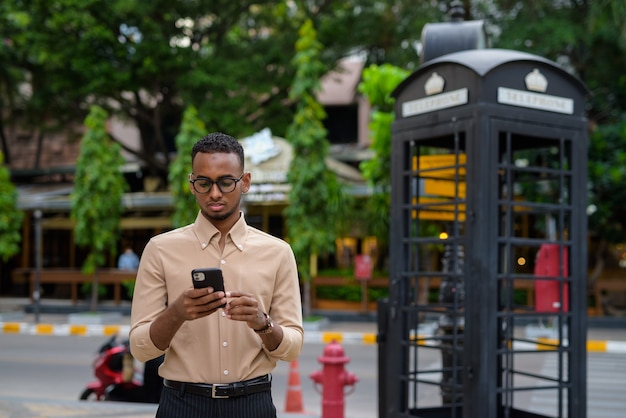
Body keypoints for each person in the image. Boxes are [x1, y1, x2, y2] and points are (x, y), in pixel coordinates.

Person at [129, 132, 303, 418]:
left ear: (244, 182)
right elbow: (140, 348)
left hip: (252, 403)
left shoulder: (278, 252)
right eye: (204, 183)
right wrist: (176, 314)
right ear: (192, 184)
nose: (215, 193)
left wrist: (262, 323)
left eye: (226, 182)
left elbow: (292, 348)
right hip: (182, 404)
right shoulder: (160, 249)